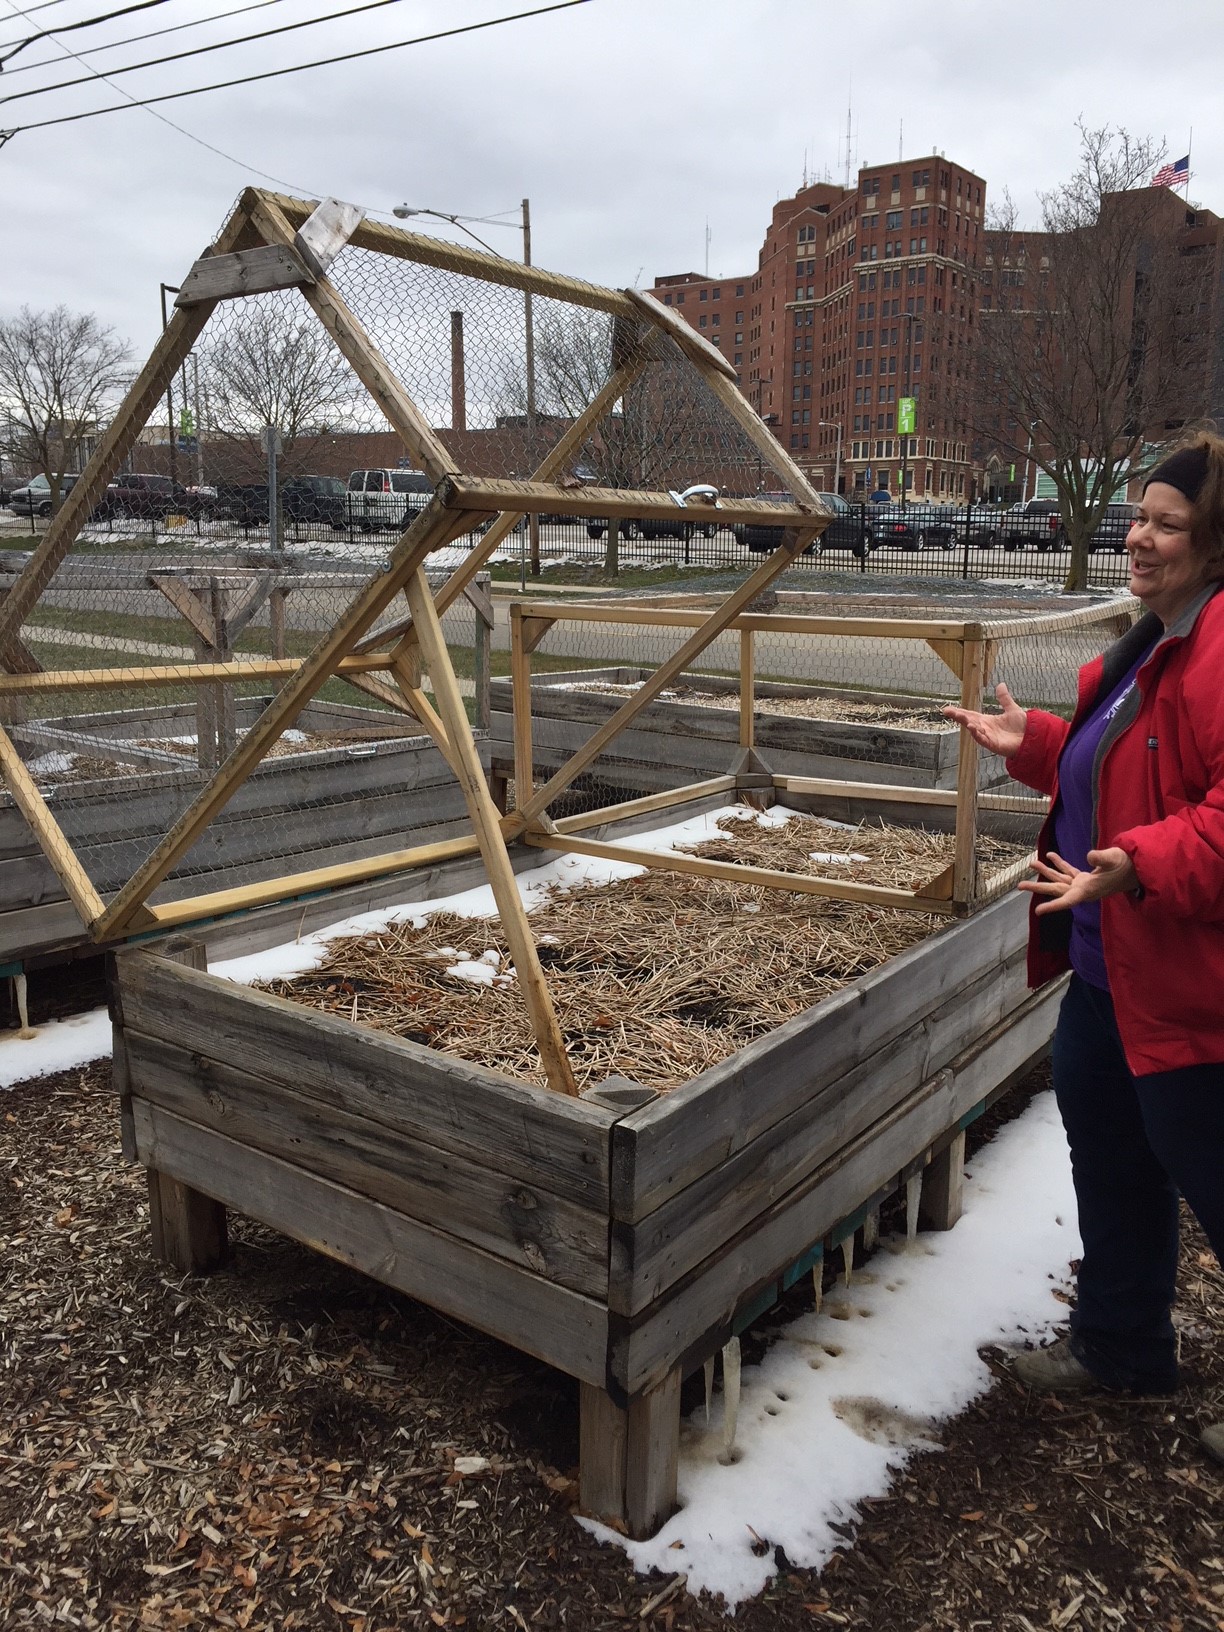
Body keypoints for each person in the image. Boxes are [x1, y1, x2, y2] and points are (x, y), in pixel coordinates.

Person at [944, 432, 1224, 1461]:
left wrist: (1139, 862)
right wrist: (1044, 746)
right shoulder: (1156, 637)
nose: (1139, 537)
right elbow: (1130, 763)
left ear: (1215, 541)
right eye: (1138, 517)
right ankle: (1121, 1347)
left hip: (1188, 992)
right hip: (1110, 974)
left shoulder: (1220, 646)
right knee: (1116, 1168)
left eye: (1167, 524)